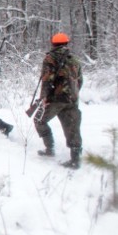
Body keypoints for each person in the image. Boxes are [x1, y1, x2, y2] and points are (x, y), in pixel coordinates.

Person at [34, 32, 83, 169]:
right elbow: (80, 80)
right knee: (72, 126)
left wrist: (44, 97)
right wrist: (73, 93)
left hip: (57, 98)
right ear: (66, 43)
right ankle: (75, 159)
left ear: (53, 44)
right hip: (72, 97)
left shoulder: (50, 58)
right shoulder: (74, 59)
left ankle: (50, 148)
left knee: (39, 120)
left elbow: (47, 80)